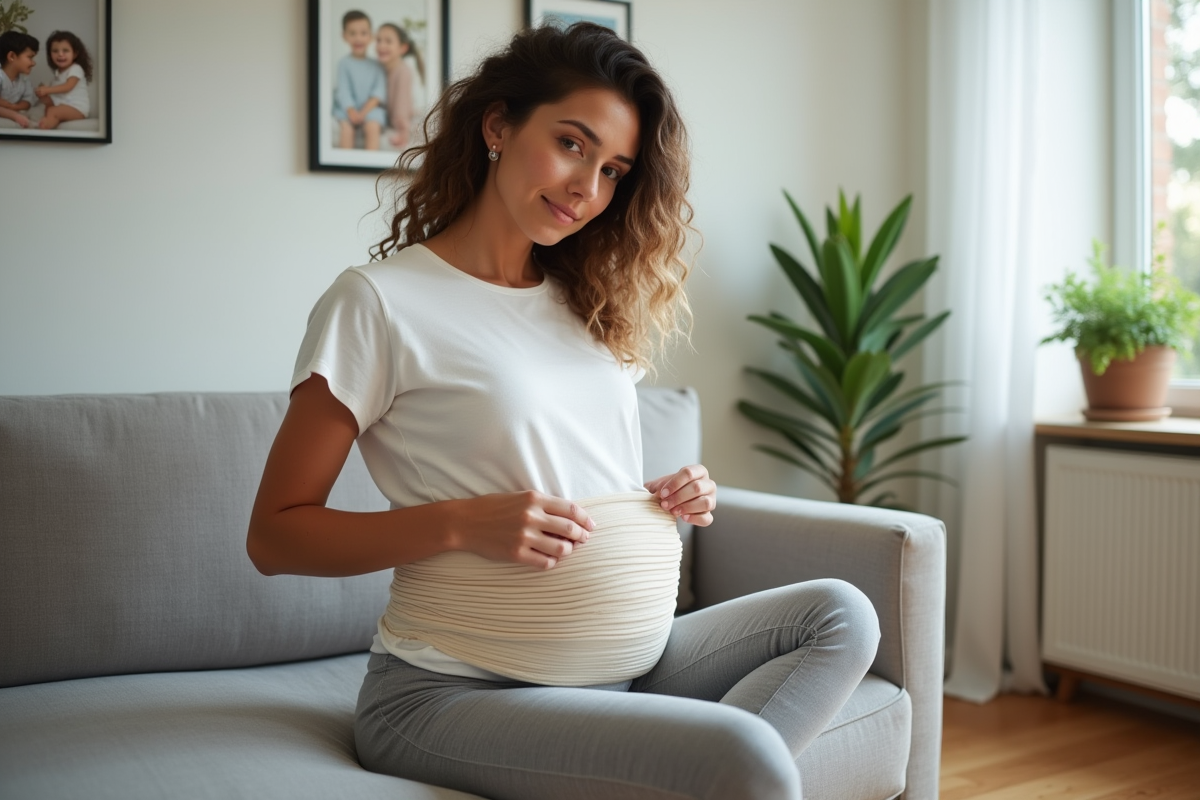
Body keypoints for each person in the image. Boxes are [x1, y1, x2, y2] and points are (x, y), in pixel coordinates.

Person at [247, 22, 879, 800]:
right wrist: (458, 522)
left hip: (626, 667)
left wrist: (671, 496)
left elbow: (575, 474)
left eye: (613, 169)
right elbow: (274, 534)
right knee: (744, 759)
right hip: (449, 693)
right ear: (498, 126)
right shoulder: (378, 302)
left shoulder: (586, 303)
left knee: (842, 614)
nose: (589, 188)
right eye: (573, 144)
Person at [333, 9, 386, 150]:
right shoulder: (344, 63)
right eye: (352, 33)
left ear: (371, 36)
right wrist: (352, 113)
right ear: (344, 36)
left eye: (363, 33)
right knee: (346, 129)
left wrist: (363, 113)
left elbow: (378, 93)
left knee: (373, 126)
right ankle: (344, 168)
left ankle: (371, 165)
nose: (358, 38)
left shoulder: (377, 65)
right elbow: (343, 91)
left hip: (370, 109)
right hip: (347, 110)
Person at [375, 23, 420, 149]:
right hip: (389, 118)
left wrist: (403, 132)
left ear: (403, 48)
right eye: (378, 40)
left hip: (404, 120)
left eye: (388, 41)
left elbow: (401, 106)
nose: (381, 45)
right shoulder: (379, 69)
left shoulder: (403, 71)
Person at [35, 30, 91, 130]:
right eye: (55, 51)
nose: (60, 54)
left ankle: (44, 127)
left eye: (65, 51)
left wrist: (47, 89)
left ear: (75, 54)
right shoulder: (58, 73)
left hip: (77, 109)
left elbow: (68, 87)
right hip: (63, 105)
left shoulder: (76, 69)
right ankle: (48, 121)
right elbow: (55, 95)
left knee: (52, 111)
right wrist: (43, 92)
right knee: (47, 102)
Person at [0, 31, 38, 129]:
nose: (33, 63)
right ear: (12, 56)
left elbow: (28, 101)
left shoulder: (25, 79)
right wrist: (14, 115)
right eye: (30, 57)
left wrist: (14, 107)